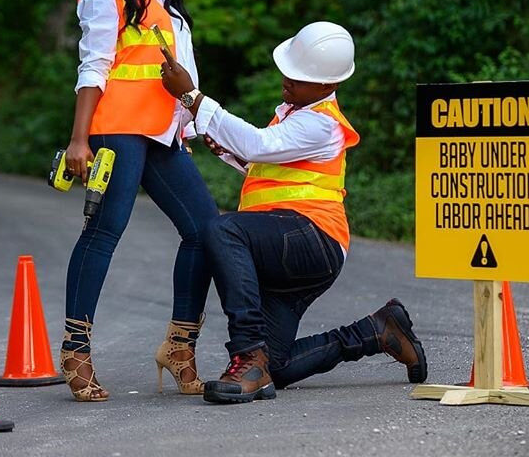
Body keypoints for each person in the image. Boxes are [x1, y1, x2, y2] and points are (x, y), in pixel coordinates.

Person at [160, 21, 427, 404]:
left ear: (327, 86)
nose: (287, 80)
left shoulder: (321, 123)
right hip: (292, 244)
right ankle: (378, 330)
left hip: (311, 238)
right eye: (289, 71)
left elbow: (257, 143)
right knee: (279, 367)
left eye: (299, 77)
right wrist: (229, 151)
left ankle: (247, 354)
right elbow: (266, 161)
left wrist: (192, 97)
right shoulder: (295, 115)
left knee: (222, 230)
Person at [60, 0, 218, 402]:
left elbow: (180, 74)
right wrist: (79, 139)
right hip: (116, 131)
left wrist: (187, 125)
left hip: (162, 132)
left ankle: (179, 345)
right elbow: (95, 66)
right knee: (106, 231)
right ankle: (76, 350)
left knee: (205, 230)